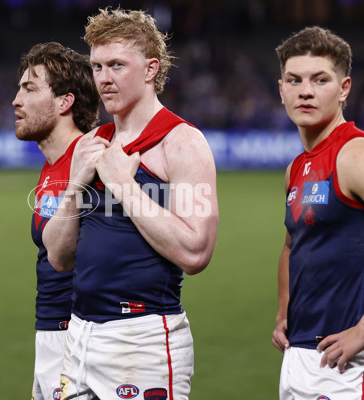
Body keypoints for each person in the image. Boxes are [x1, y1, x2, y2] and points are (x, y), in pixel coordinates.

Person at [42, 7, 218, 399]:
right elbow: (57, 255)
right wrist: (76, 185)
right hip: (79, 333)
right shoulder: (92, 143)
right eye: (98, 66)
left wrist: (124, 184)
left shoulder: (183, 143)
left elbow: (196, 251)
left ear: (151, 69)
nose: (104, 78)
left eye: (117, 65)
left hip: (143, 339)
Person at [271, 26, 364, 399]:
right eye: (295, 80)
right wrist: (283, 313)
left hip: (349, 359)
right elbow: (293, 246)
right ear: (281, 89)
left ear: (344, 89)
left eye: (320, 80)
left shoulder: (356, 155)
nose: (305, 90)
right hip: (301, 354)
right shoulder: (297, 168)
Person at [12, 42, 100, 400]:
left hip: (82, 339)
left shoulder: (94, 161)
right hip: (50, 333)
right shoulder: (53, 167)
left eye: (29, 89)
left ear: (65, 102)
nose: (15, 100)